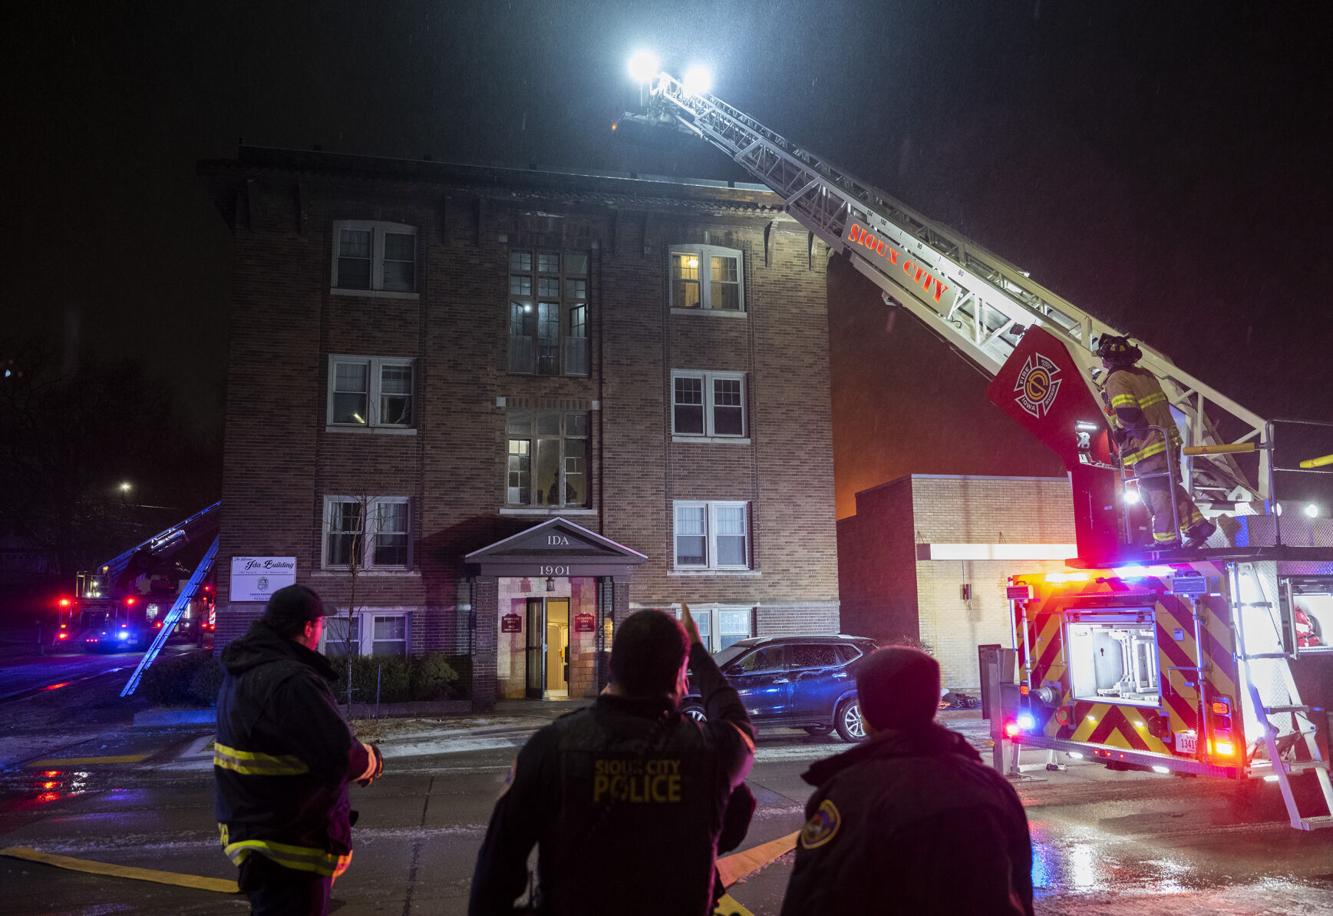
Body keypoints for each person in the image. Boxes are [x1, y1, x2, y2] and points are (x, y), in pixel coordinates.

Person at [469, 604, 756, 916]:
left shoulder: (551, 746)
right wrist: (697, 651)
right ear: (678, 678)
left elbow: (493, 878)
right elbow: (735, 721)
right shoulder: (710, 752)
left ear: (612, 669)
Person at [779, 647, 1033, 916]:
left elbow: (812, 899)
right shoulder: (991, 785)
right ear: (933, 704)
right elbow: (1021, 889)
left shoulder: (847, 795)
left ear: (866, 710)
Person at [214, 584, 384, 915]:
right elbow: (339, 755)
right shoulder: (291, 682)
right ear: (308, 627)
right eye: (321, 624)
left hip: (256, 835)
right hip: (290, 844)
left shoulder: (245, 673)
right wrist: (371, 760)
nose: (321, 632)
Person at [1098, 334, 1216, 548]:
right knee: (1168, 485)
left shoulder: (1117, 380)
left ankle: (1166, 540)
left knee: (1155, 492)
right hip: (1166, 439)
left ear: (1108, 359)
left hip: (1146, 444)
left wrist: (1121, 432)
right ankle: (1197, 525)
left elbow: (1128, 413)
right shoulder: (1145, 374)